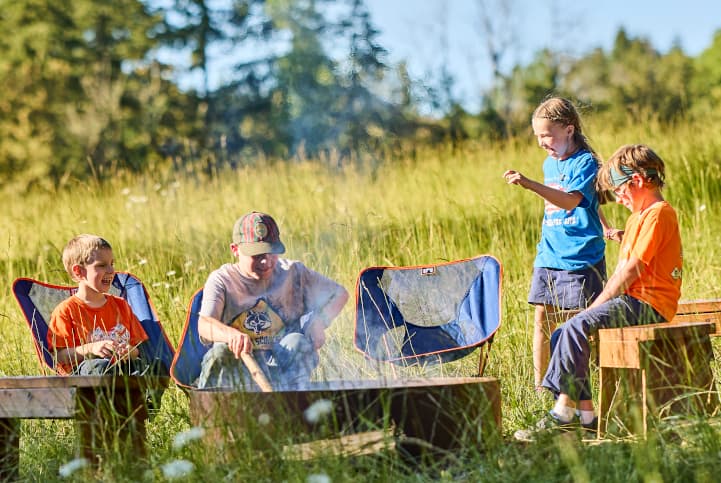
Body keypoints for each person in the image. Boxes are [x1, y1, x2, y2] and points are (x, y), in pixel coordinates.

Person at [515, 144, 682, 440]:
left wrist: (595, 306)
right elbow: (626, 267)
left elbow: (630, 271)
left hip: (648, 303)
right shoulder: (638, 218)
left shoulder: (658, 213)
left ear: (639, 180)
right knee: (561, 332)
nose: (617, 198)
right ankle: (588, 415)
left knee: (577, 325)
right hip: (632, 300)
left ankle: (563, 413)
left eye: (618, 189)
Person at [503, 97, 622, 392]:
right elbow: (588, 203)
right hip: (549, 254)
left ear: (569, 129)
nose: (542, 142)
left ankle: (575, 390)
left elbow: (572, 201)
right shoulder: (550, 163)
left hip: (581, 257)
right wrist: (606, 227)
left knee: (576, 326)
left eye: (547, 135)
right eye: (538, 136)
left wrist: (529, 184)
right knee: (542, 318)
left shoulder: (586, 162)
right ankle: (541, 387)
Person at [196, 211, 349, 390]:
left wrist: (319, 322)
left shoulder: (294, 273)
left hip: (281, 371)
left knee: (297, 342)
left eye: (271, 253)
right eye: (257, 255)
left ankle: (294, 408)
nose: (266, 261)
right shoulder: (222, 280)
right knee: (221, 352)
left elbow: (339, 294)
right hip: (237, 374)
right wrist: (231, 335)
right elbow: (204, 325)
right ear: (235, 250)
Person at [48, 235, 152, 377]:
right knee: (100, 366)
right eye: (102, 265)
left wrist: (128, 350)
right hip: (86, 378)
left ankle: (144, 399)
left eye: (112, 264)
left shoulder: (121, 305)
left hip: (123, 368)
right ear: (78, 271)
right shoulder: (66, 311)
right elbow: (59, 357)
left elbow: (137, 349)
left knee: (157, 365)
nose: (111, 271)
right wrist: (90, 348)